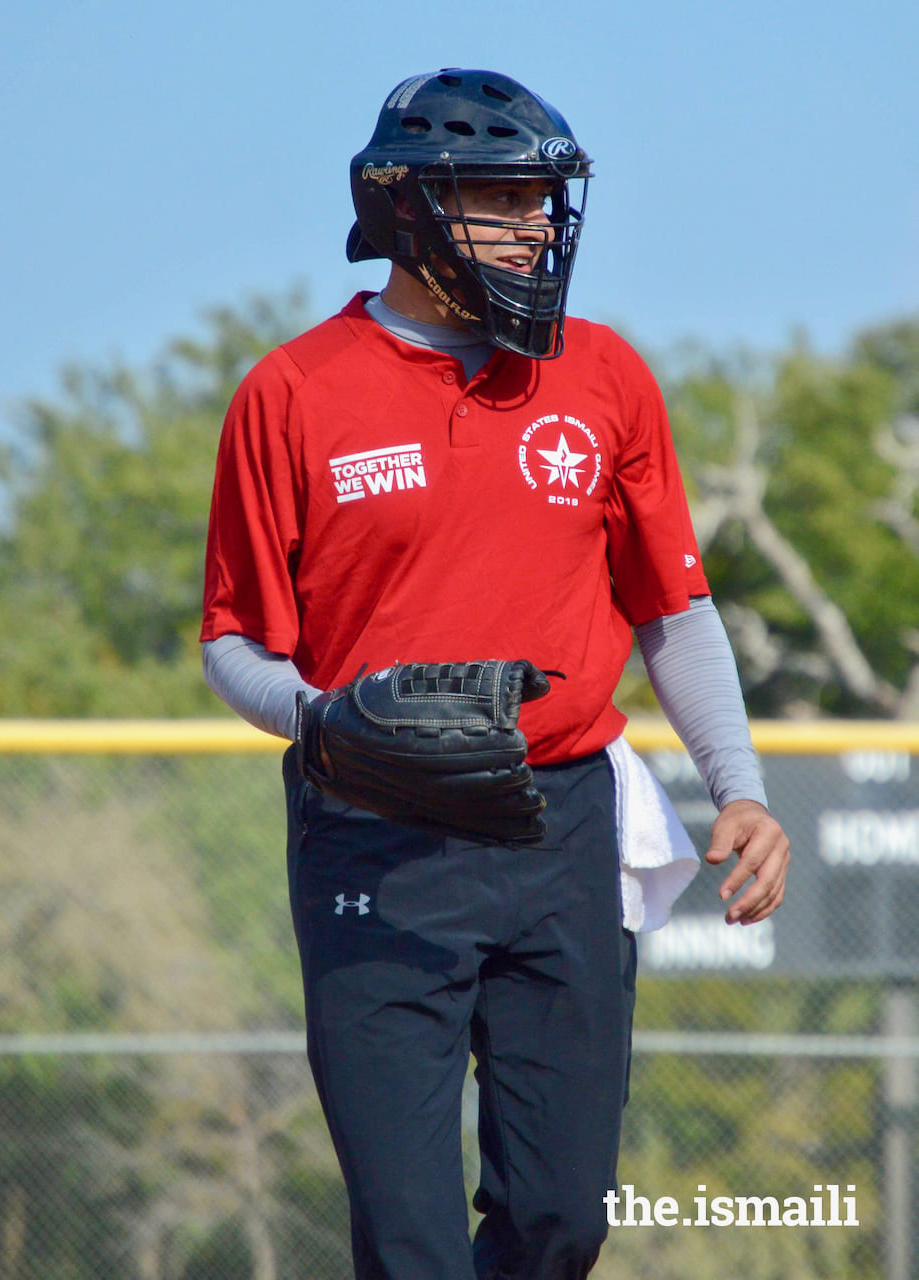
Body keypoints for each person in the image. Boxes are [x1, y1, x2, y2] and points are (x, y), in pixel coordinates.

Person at [200, 68, 790, 1280]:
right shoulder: (292, 392)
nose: (536, 224)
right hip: (374, 833)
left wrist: (739, 782)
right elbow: (231, 642)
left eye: (544, 199)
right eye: (505, 198)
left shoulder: (603, 373)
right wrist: (323, 722)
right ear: (409, 208)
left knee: (561, 1217)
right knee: (412, 1242)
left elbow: (671, 608)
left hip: (559, 822)